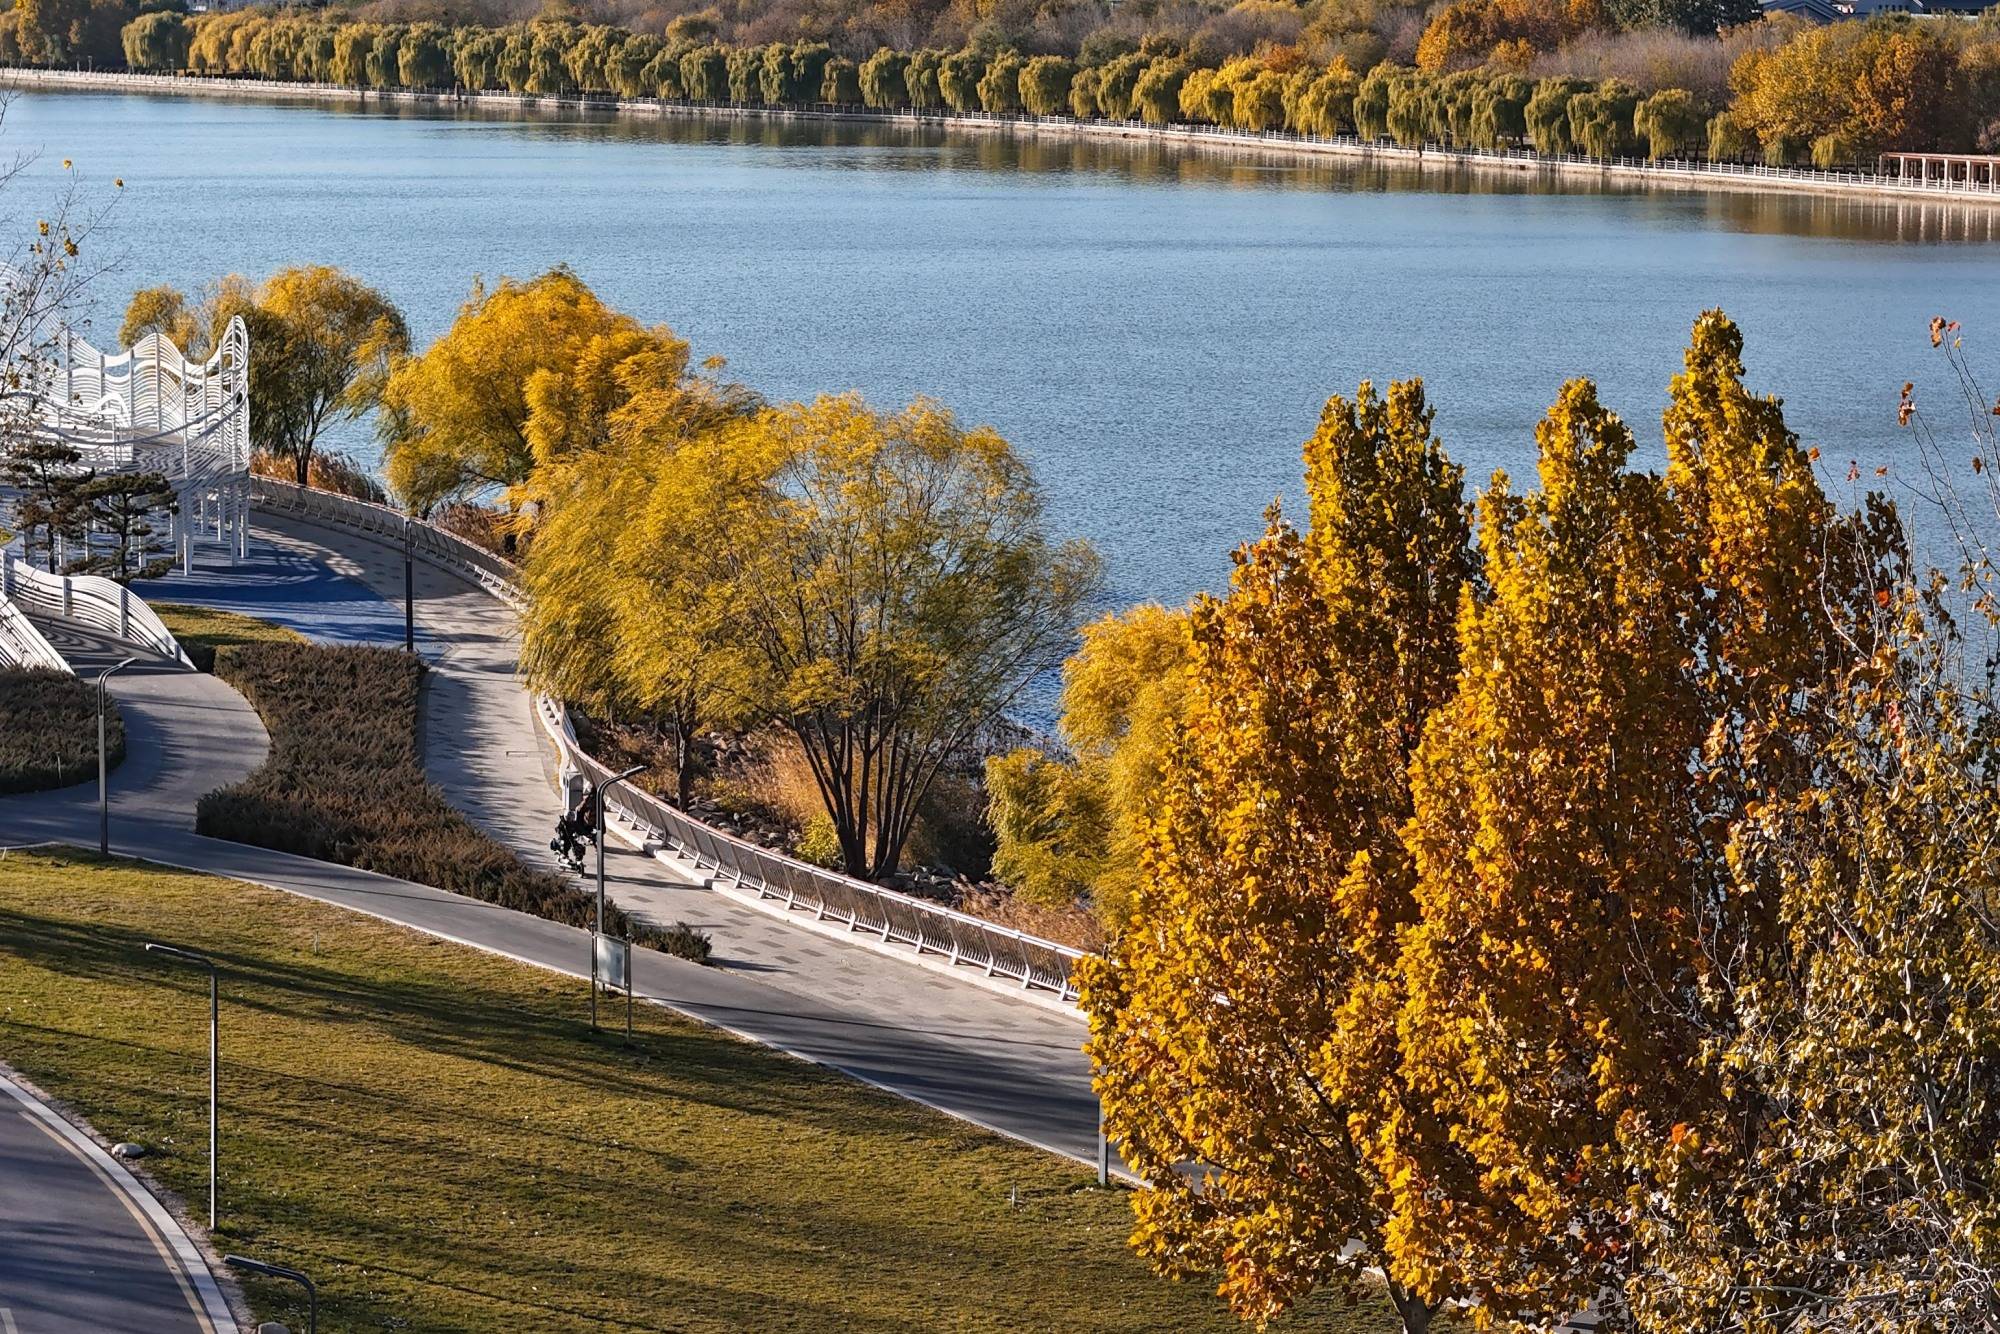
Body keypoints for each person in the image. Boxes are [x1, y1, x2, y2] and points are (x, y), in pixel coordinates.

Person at [550, 780, 597, 871]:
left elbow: (580, 829)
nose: (571, 820)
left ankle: (578, 859)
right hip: (566, 839)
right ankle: (563, 856)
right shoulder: (563, 825)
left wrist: (586, 836)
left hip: (573, 837)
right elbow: (559, 831)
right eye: (570, 819)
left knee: (579, 845)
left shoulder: (575, 823)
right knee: (564, 844)